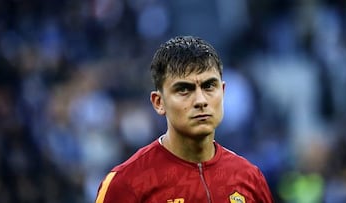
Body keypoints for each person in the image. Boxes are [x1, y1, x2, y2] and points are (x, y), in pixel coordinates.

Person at [95, 36, 273, 203]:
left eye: (209, 86)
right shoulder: (126, 183)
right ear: (159, 102)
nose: (201, 101)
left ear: (223, 92)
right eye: (184, 89)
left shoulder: (249, 178)